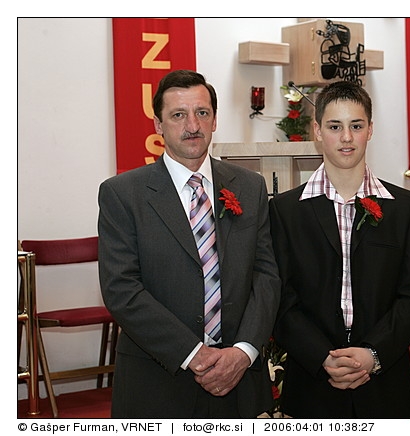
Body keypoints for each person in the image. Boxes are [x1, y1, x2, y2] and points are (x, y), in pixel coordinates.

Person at [98, 69, 281, 418]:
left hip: (238, 378)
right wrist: (193, 353)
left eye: (202, 113)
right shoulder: (123, 194)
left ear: (215, 120)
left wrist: (243, 351)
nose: (192, 125)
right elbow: (121, 289)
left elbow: (266, 275)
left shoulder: (249, 186)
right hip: (159, 379)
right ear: (158, 124)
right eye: (178, 115)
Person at [268, 80, 410, 418]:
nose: (346, 137)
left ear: (370, 130)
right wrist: (322, 357)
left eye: (356, 126)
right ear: (317, 131)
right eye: (334, 126)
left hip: (385, 382)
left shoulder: (406, 208)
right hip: (313, 383)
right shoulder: (285, 211)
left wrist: (373, 354)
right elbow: (282, 300)